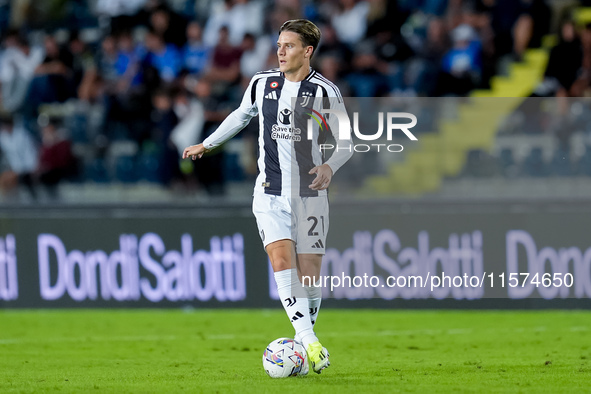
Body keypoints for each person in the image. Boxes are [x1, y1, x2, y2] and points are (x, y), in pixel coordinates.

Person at [182, 19, 353, 374]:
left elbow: (346, 142)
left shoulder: (325, 91)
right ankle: (308, 342)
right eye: (279, 44)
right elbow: (241, 115)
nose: (280, 51)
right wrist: (207, 144)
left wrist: (330, 167)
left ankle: (304, 343)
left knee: (308, 278)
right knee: (280, 261)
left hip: (310, 196)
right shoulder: (262, 83)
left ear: (307, 51)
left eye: (289, 46)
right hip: (270, 193)